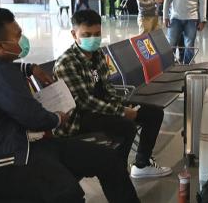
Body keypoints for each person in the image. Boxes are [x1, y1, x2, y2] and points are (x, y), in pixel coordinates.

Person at [0, 8, 139, 203]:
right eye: (18, 35)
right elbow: (35, 118)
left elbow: (4, 67)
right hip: (9, 159)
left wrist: (29, 68)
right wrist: (57, 118)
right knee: (68, 195)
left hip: (23, 145)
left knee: (108, 159)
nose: (23, 38)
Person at [54, 9, 172, 179]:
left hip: (104, 108)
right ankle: (116, 172)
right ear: (74, 34)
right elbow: (84, 102)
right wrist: (121, 112)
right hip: (80, 117)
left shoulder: (98, 55)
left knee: (153, 113)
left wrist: (123, 104)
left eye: (97, 34)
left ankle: (141, 164)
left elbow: (107, 88)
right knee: (126, 126)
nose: (93, 39)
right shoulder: (67, 63)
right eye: (86, 35)